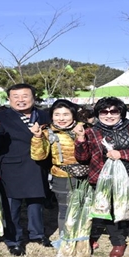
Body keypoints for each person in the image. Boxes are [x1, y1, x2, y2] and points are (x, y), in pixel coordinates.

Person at [74, 97, 129, 257]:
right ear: (98, 114)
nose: (109, 115)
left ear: (121, 113)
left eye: (114, 111)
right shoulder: (91, 132)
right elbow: (82, 157)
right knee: (109, 212)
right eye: (104, 112)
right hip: (103, 178)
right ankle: (118, 242)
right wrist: (80, 139)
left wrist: (122, 154)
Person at [0, 84, 52, 256]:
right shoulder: (0, 117)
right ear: (9, 99)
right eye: (16, 96)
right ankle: (14, 240)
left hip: (37, 166)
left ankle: (37, 234)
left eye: (25, 95)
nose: (20, 100)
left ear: (33, 97)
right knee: (12, 207)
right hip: (12, 166)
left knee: (36, 204)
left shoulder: (44, 114)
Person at [30, 99, 88, 233]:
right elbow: (38, 156)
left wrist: (81, 137)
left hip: (84, 176)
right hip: (61, 177)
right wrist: (37, 137)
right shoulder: (46, 131)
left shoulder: (84, 129)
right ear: (52, 116)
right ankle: (66, 239)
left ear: (73, 115)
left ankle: (83, 237)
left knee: (85, 207)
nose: (61, 118)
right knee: (64, 209)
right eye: (57, 115)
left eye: (66, 114)